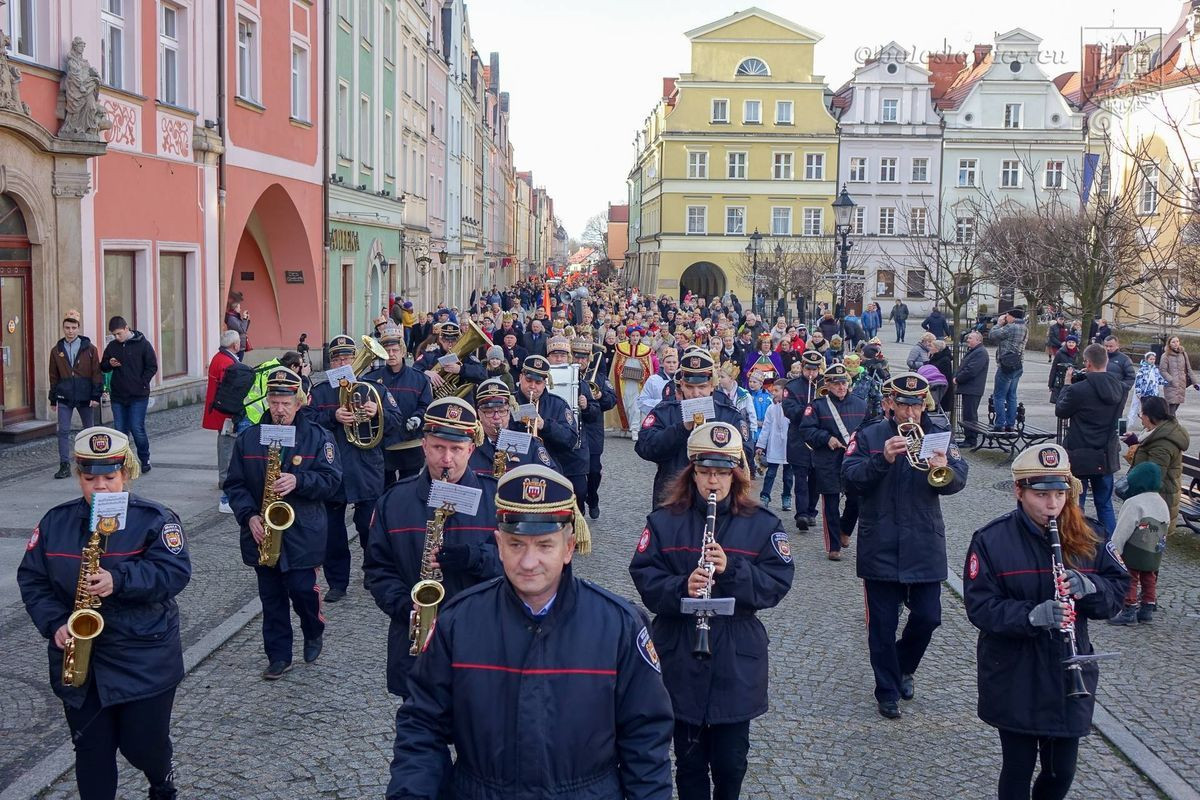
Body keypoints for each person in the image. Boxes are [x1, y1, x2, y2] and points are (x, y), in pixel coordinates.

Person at [388, 463, 673, 800]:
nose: (528, 562)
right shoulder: (458, 622)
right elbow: (422, 724)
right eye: (516, 544)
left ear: (569, 548)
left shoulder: (619, 625)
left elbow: (645, 739)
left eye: (544, 545)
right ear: (498, 543)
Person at [18, 427, 190, 800]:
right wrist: (54, 624)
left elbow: (175, 572)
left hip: (143, 656)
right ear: (79, 476)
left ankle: (161, 779)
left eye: (110, 478)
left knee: (142, 745)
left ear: (126, 474)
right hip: (82, 664)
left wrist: (120, 579)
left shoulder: (155, 519)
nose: (100, 488)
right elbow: (32, 579)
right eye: (90, 478)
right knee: (92, 751)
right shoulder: (55, 522)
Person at [629, 422, 794, 800]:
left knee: (731, 763)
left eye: (721, 473)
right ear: (693, 473)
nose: (713, 482)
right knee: (688, 765)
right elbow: (644, 574)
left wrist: (732, 569)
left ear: (736, 475)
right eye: (705, 472)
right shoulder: (664, 520)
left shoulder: (763, 524)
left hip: (737, 658)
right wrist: (678, 587)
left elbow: (777, 583)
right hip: (680, 652)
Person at [963, 444, 1128, 800]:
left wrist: (1091, 587)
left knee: (1060, 772)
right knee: (1018, 769)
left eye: (1059, 493)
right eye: (1041, 495)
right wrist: (1032, 615)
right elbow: (980, 607)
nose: (1052, 504)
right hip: (1014, 673)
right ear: (1018, 492)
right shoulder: (991, 540)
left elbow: (1118, 589)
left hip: (1069, 672)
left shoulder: (1090, 535)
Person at [842, 372, 968, 719]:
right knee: (881, 626)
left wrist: (946, 469)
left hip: (924, 542)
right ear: (889, 404)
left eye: (917, 405)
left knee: (928, 618)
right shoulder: (868, 435)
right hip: (880, 544)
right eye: (904, 405)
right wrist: (881, 459)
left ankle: (903, 667)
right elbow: (850, 478)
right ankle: (887, 691)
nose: (912, 413)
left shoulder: (938, 437)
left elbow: (959, 478)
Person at [364, 397, 502, 698]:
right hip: (415, 644)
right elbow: (377, 569)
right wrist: (404, 607)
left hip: (481, 643)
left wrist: (474, 558)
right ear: (424, 445)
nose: (447, 460)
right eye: (439, 447)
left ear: (471, 449)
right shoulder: (394, 502)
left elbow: (518, 565)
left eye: (456, 449)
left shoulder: (497, 500)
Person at [224, 367, 343, 679]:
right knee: (272, 598)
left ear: (299, 403)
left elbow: (332, 482)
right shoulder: (249, 438)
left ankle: (313, 628)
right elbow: (234, 485)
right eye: (274, 403)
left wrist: (298, 480)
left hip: (303, 530)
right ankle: (278, 656)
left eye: (285, 404)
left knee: (303, 590)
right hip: (261, 533)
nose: (278, 410)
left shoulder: (319, 437)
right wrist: (249, 516)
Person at [305, 335, 403, 603]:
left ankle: (373, 573)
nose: (343, 362)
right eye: (337, 358)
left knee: (369, 526)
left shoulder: (374, 389)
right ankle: (338, 583)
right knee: (333, 533)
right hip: (331, 470)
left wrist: (377, 413)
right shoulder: (322, 390)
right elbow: (306, 421)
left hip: (366, 467)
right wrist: (331, 416)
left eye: (348, 357)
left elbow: (396, 421)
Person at [636, 349, 751, 505]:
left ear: (712, 386)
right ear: (682, 385)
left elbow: (746, 454)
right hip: (672, 497)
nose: (696, 394)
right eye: (689, 387)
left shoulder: (728, 414)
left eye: (702, 387)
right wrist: (681, 429)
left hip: (716, 500)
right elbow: (644, 447)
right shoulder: (665, 411)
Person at [1055, 344, 1125, 535]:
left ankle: (1078, 541)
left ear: (1088, 363)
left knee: (1078, 502)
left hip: (1080, 452)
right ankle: (1112, 545)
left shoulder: (1079, 389)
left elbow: (1061, 411)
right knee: (1105, 504)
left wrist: (1067, 385)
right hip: (1106, 453)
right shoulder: (1120, 388)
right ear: (1107, 361)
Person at [801, 362, 867, 560]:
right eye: (836, 383)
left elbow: (870, 428)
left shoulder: (860, 404)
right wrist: (826, 438)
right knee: (830, 503)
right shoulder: (817, 406)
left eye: (844, 382)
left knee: (856, 500)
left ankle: (844, 529)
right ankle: (834, 546)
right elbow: (806, 430)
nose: (841, 387)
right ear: (828, 385)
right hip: (828, 460)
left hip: (853, 460)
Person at [364, 327, 432, 487]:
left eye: (395, 350)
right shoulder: (372, 378)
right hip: (383, 443)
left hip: (410, 442)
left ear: (403, 352)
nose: (391, 354)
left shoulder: (419, 378)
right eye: (387, 350)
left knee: (409, 488)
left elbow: (425, 405)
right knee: (386, 488)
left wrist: (418, 417)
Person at [1108, 461, 1170, 625]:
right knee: (1149, 577)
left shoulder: (1134, 502)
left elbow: (1123, 529)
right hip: (1154, 549)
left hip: (1135, 549)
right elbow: (1166, 526)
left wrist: (1115, 549)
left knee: (1131, 578)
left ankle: (1128, 610)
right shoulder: (1162, 502)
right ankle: (1147, 610)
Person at [100, 316, 158, 472]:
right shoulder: (112, 346)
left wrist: (142, 382)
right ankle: (122, 461)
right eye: (114, 335)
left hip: (138, 395)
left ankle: (145, 459)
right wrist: (109, 364)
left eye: (119, 333)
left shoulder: (143, 344)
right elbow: (103, 366)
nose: (117, 337)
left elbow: (152, 366)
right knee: (120, 429)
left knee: (136, 427)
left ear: (127, 328)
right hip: (118, 395)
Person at [49, 309, 103, 479]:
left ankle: (91, 461)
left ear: (78, 328)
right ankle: (64, 464)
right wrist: (53, 398)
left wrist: (96, 396)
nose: (70, 331)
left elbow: (96, 373)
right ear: (63, 328)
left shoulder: (90, 349)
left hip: (85, 395)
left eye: (73, 327)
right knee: (63, 430)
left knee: (89, 429)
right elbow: (53, 375)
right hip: (64, 395)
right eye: (67, 328)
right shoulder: (56, 350)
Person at [1127, 395, 1190, 534]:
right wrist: (1134, 443)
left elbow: (1153, 479)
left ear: (1151, 416)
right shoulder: (1155, 433)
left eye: (1141, 413)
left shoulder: (1162, 444)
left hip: (1158, 502)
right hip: (1157, 499)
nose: (1140, 417)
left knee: (1148, 546)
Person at [468, 377, 554, 478]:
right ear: (480, 414)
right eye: (489, 412)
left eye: (502, 411)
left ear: (509, 413)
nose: (497, 417)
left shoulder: (530, 444)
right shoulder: (467, 447)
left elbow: (551, 477)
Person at [545, 336, 593, 508]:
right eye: (555, 355)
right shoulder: (540, 379)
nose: (559, 359)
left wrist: (587, 406)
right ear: (548, 356)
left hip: (575, 449)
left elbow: (594, 414)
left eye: (563, 355)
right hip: (549, 446)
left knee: (579, 491)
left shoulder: (579, 381)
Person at [574, 336, 618, 518]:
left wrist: (600, 396)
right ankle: (579, 506)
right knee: (577, 473)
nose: (580, 360)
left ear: (589, 358)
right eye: (576, 357)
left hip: (593, 430)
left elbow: (612, 400)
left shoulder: (599, 377)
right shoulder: (568, 375)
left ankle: (593, 497)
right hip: (574, 429)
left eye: (583, 357)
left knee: (594, 471)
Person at [782, 350, 825, 530]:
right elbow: (789, 410)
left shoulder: (824, 384)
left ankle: (811, 510)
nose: (811, 373)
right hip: (798, 438)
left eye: (814, 370)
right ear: (802, 367)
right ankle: (802, 514)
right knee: (800, 479)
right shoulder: (792, 387)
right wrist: (807, 410)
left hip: (818, 439)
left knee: (816, 479)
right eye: (808, 369)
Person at [202, 330, 242, 512]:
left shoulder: (220, 357)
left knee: (226, 445)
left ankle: (224, 478)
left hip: (219, 410)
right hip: (225, 412)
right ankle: (225, 480)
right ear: (235, 345)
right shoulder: (227, 362)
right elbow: (232, 390)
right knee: (227, 446)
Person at [416, 321, 486, 395]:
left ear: (458, 339)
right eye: (446, 340)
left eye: (453, 340)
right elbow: (414, 370)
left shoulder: (466, 356)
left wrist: (461, 369)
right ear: (440, 340)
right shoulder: (430, 355)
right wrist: (426, 373)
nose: (450, 343)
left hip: (462, 402)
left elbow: (483, 374)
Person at [988, 308, 1029, 433]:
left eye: (1007, 316)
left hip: (1006, 365)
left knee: (999, 396)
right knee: (1012, 395)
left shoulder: (1011, 327)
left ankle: (999, 423)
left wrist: (999, 323)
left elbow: (992, 335)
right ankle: (1010, 424)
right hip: (1018, 365)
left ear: (1011, 317)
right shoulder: (1025, 328)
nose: (1006, 318)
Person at [613, 325, 656, 439]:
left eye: (637, 335)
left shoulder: (645, 350)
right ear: (629, 336)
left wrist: (643, 376)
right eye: (633, 335)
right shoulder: (621, 348)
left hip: (638, 384)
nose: (635, 338)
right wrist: (620, 372)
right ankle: (624, 426)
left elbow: (648, 368)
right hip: (624, 383)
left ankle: (635, 429)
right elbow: (616, 365)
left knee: (636, 407)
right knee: (624, 403)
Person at [756, 376, 791, 510]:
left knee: (788, 476)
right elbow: (766, 427)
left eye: (777, 390)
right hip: (774, 445)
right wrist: (761, 445)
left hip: (788, 446)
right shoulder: (771, 408)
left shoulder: (791, 407)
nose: (773, 393)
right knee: (770, 473)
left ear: (785, 391)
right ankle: (765, 496)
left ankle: (786, 496)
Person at [954, 331, 989, 447]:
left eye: (970, 338)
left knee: (970, 415)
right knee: (967, 414)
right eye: (968, 338)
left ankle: (971, 440)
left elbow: (971, 370)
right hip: (970, 388)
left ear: (978, 340)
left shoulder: (980, 353)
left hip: (973, 388)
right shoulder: (975, 351)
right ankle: (968, 437)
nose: (967, 340)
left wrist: (958, 379)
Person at [1157, 335, 1198, 416]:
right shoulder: (1165, 356)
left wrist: (1195, 382)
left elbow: (1189, 369)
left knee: (1175, 406)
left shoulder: (1183, 354)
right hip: (1171, 385)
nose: (1176, 343)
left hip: (1182, 384)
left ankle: (1166, 423)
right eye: (1173, 342)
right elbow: (1162, 370)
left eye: (1177, 341)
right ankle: (1170, 425)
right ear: (1169, 344)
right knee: (1171, 408)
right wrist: (1171, 380)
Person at [1127, 351, 1167, 430]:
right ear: (1146, 359)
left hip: (1154, 393)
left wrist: (1166, 382)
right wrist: (1138, 391)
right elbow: (1138, 381)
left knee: (1152, 408)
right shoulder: (1142, 370)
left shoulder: (1155, 369)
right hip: (1144, 393)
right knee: (1144, 409)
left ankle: (1151, 422)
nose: (1152, 361)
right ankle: (1142, 423)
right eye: (1151, 359)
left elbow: (1159, 378)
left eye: (1154, 359)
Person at [638, 346, 679, 418]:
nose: (671, 365)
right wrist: (661, 403)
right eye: (668, 362)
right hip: (659, 417)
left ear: (678, 363)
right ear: (662, 363)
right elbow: (642, 402)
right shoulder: (653, 380)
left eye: (674, 362)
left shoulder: (682, 380)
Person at [1048, 336, 1082, 405]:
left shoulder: (1079, 354)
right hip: (1061, 380)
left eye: (1073, 342)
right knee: (1060, 401)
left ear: (1076, 344)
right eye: (1069, 342)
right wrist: (1050, 384)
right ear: (1066, 343)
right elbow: (1054, 369)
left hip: (1074, 380)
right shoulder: (1060, 353)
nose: (1071, 344)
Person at [224, 292, 251, 359]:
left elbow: (243, 329)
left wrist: (246, 319)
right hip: (236, 346)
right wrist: (244, 319)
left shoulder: (235, 317)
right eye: (239, 307)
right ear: (235, 308)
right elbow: (242, 330)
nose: (240, 309)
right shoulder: (231, 318)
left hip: (239, 346)